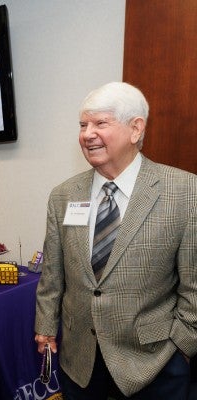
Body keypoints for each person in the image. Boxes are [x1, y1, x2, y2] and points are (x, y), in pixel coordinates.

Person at [34, 81, 197, 399]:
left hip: (155, 363)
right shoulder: (64, 196)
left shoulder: (185, 191)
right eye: (83, 124)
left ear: (136, 129)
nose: (87, 134)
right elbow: (53, 274)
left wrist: (183, 343)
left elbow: (194, 284)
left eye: (100, 123)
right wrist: (46, 326)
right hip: (79, 363)